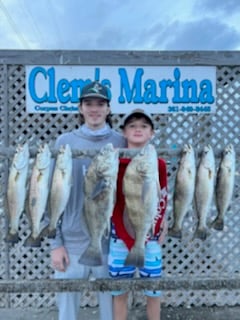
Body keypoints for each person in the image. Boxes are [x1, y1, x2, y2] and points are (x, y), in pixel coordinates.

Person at [50, 81, 126, 320]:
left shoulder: (121, 142)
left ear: (109, 109)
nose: (95, 109)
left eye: (100, 103)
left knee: (111, 313)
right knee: (67, 313)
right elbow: (50, 198)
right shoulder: (64, 143)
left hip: (110, 243)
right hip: (70, 244)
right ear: (80, 108)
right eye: (89, 103)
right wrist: (56, 244)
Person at [108, 109, 168, 320]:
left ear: (152, 133)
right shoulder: (115, 162)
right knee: (120, 292)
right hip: (119, 235)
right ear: (124, 132)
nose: (138, 129)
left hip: (148, 236)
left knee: (153, 291)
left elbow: (161, 196)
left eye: (144, 126)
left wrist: (163, 222)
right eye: (132, 126)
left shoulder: (158, 164)